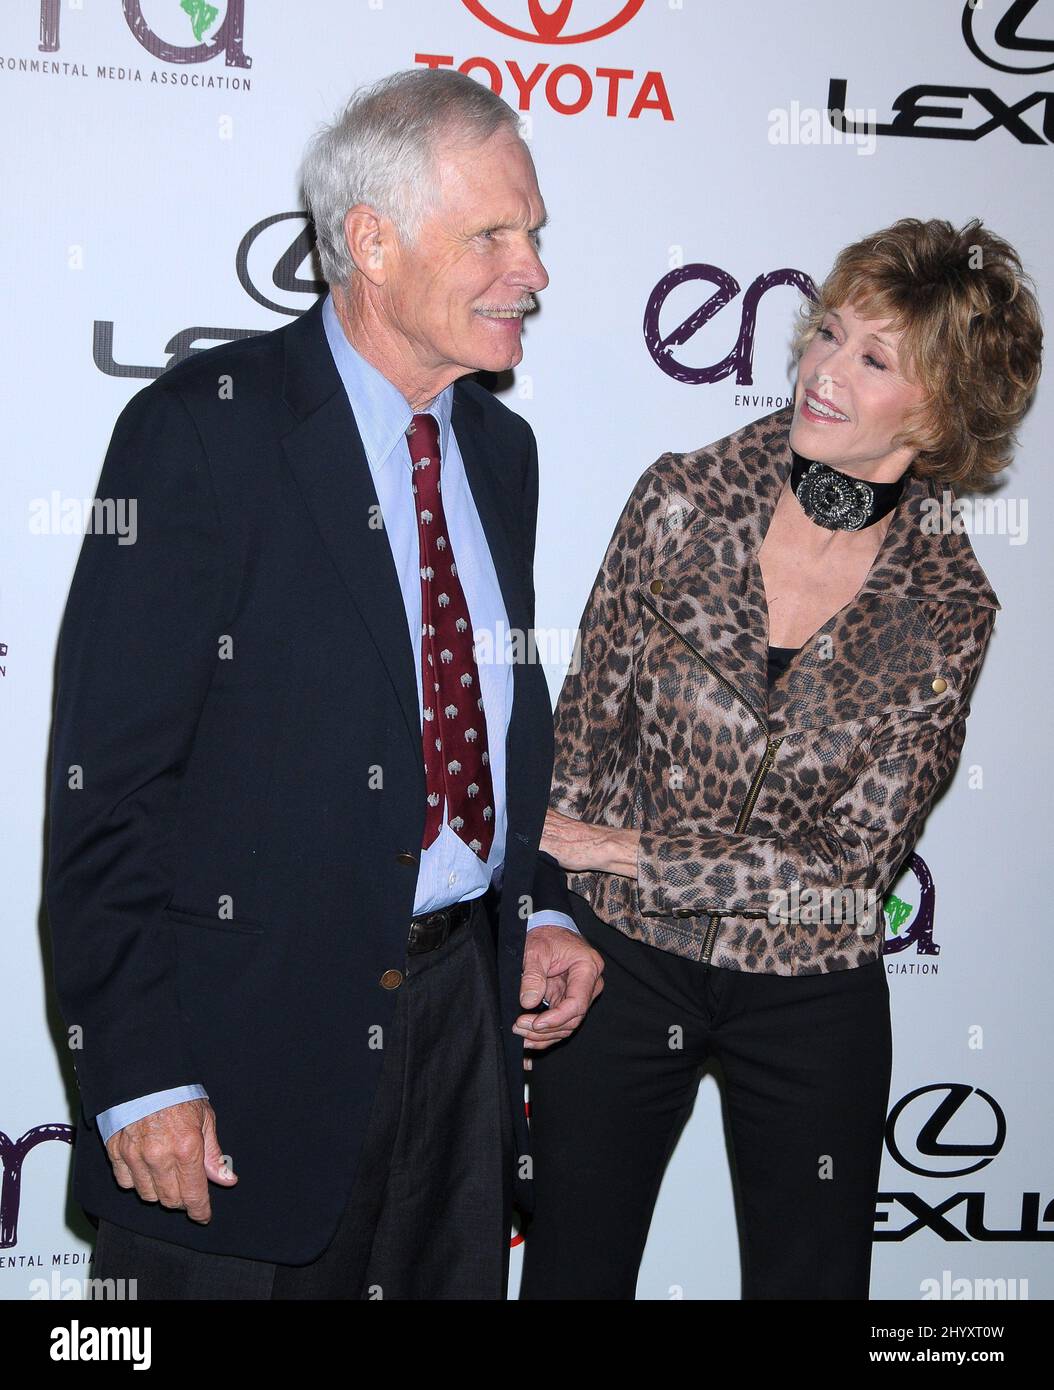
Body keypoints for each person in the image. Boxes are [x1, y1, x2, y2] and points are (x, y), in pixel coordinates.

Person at [45, 67, 602, 1302]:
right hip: (244, 1048)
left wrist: (545, 905)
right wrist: (138, 1072)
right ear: (371, 240)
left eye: (536, 234)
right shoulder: (203, 431)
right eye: (493, 236)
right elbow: (107, 789)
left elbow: (495, 714)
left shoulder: (498, 451)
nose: (534, 272)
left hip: (462, 1027)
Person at [520, 217, 1042, 1300]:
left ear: (940, 411)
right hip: (620, 963)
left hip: (809, 996)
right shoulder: (678, 499)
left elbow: (844, 876)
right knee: (571, 1276)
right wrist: (555, 904)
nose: (821, 371)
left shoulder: (948, 607)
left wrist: (622, 848)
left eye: (873, 359)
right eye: (826, 333)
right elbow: (575, 751)